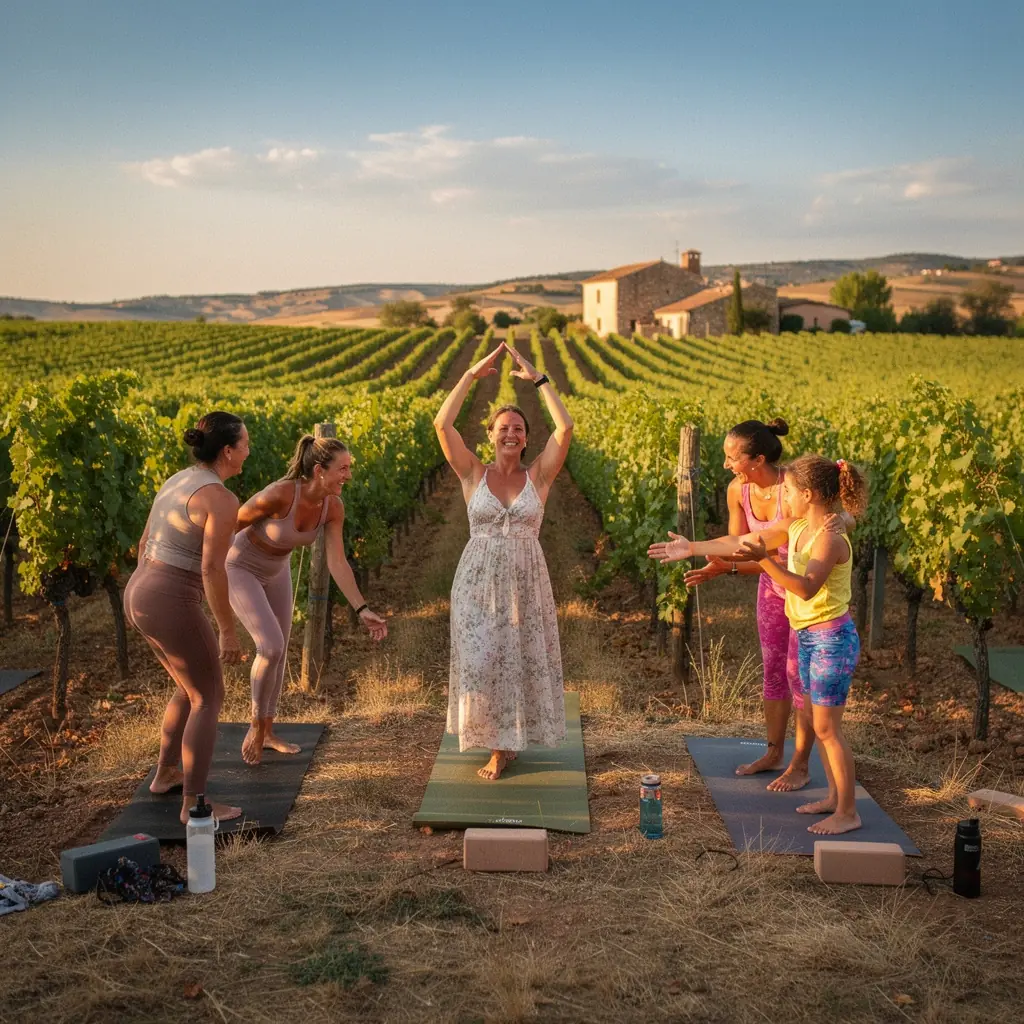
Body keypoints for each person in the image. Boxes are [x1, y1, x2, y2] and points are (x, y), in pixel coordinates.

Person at [650, 455, 868, 835]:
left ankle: (848, 812)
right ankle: (835, 798)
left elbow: (804, 587)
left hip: (832, 640)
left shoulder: (830, 537)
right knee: (821, 726)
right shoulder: (797, 526)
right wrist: (693, 547)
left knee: (829, 729)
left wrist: (765, 560)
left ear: (808, 494)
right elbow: (740, 540)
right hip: (808, 636)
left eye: (787, 490)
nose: (782, 495)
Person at [433, 340, 573, 780]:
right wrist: (470, 376)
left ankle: (505, 746)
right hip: (476, 580)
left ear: (526, 437)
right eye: (502, 427)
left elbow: (566, 429)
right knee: (483, 658)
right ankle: (497, 741)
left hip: (527, 580)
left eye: (517, 428)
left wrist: (539, 379)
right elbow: (441, 424)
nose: (510, 433)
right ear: (490, 435)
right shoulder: (473, 472)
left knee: (520, 658)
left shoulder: (540, 476)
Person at [228, 434, 387, 765]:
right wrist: (202, 574)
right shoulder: (279, 494)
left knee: (280, 649)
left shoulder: (333, 507)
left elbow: (337, 562)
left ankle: (268, 732)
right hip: (240, 564)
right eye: (343, 468)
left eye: (349, 468)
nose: (349, 475)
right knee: (269, 646)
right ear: (319, 470)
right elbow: (228, 525)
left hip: (276, 570)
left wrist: (362, 609)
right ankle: (256, 727)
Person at [125, 412, 249, 825]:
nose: (249, 452)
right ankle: (195, 804)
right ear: (228, 451)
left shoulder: (178, 479)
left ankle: (165, 774)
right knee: (209, 696)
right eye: (245, 445)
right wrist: (228, 630)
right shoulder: (222, 499)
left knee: (188, 686)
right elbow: (212, 570)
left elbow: (143, 542)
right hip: (168, 598)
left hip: (139, 590)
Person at [682, 419, 813, 791]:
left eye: (731, 457)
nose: (726, 464)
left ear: (757, 458)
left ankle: (801, 765)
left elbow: (776, 548)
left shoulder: (794, 490)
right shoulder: (737, 490)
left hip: (805, 592)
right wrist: (722, 564)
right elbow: (740, 543)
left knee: (798, 676)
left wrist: (727, 563)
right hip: (771, 590)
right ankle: (774, 753)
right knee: (774, 671)